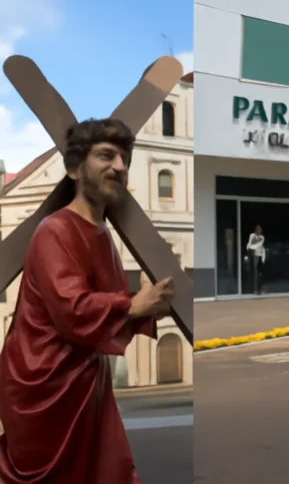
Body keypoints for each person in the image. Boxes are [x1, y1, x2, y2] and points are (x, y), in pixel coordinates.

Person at [0, 118, 175, 484]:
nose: (120, 167)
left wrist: (146, 305)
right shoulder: (55, 231)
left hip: (86, 380)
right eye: (106, 156)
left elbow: (102, 305)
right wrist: (134, 305)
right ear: (74, 169)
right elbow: (72, 310)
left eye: (124, 159)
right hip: (44, 387)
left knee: (108, 471)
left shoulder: (103, 235)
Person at [247, 225, 266, 294]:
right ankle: (255, 290)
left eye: (260, 229)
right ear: (255, 230)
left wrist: (263, 258)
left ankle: (261, 289)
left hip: (260, 256)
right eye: (258, 229)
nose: (259, 230)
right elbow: (250, 246)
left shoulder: (262, 237)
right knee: (255, 273)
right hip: (254, 256)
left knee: (260, 274)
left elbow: (261, 246)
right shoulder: (252, 235)